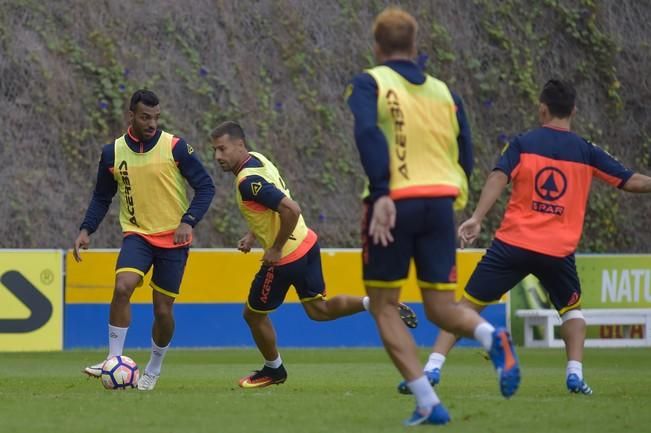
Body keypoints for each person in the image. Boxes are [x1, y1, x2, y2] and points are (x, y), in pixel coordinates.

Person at [409, 78, 651, 397]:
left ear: (542, 108)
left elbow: (498, 176)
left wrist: (477, 218)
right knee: (573, 313)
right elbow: (630, 181)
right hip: (557, 251)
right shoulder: (586, 150)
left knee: (465, 307)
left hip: (513, 244)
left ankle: (432, 369)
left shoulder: (524, 142)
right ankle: (575, 374)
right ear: (574, 110)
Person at [346, 6, 520, 426]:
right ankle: (489, 334)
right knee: (441, 306)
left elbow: (368, 133)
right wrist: (452, 188)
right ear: (415, 45)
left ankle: (427, 402)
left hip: (394, 203)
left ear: (376, 46)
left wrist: (384, 192)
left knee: (385, 306)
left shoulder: (370, 82)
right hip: (440, 203)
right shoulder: (446, 92)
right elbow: (468, 150)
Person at [210, 121, 418, 389]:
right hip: (307, 243)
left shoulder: (247, 182)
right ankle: (374, 303)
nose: (217, 157)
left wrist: (274, 248)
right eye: (215, 150)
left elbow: (291, 209)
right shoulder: (258, 160)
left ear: (239, 145)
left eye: (222, 149)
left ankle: (274, 371)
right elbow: (272, 205)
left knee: (253, 315)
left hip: (285, 257)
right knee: (319, 310)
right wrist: (253, 235)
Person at [73, 89, 215, 391]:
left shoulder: (175, 147)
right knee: (122, 286)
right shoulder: (112, 153)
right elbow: (102, 196)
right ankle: (113, 359)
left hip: (173, 239)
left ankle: (154, 367)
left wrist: (188, 222)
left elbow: (206, 187)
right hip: (137, 235)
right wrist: (86, 229)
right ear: (131, 116)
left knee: (163, 310)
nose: (151, 123)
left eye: (156, 117)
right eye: (145, 117)